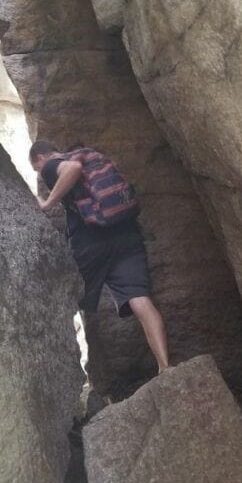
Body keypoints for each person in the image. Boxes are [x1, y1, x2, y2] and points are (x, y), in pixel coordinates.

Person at [29, 140, 170, 374]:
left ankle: (52, 372)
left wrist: (48, 203)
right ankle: (165, 366)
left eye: (36, 169)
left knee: (67, 296)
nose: (40, 174)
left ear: (39, 158)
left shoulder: (50, 164)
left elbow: (71, 169)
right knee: (139, 298)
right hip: (126, 235)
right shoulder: (91, 158)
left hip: (91, 242)